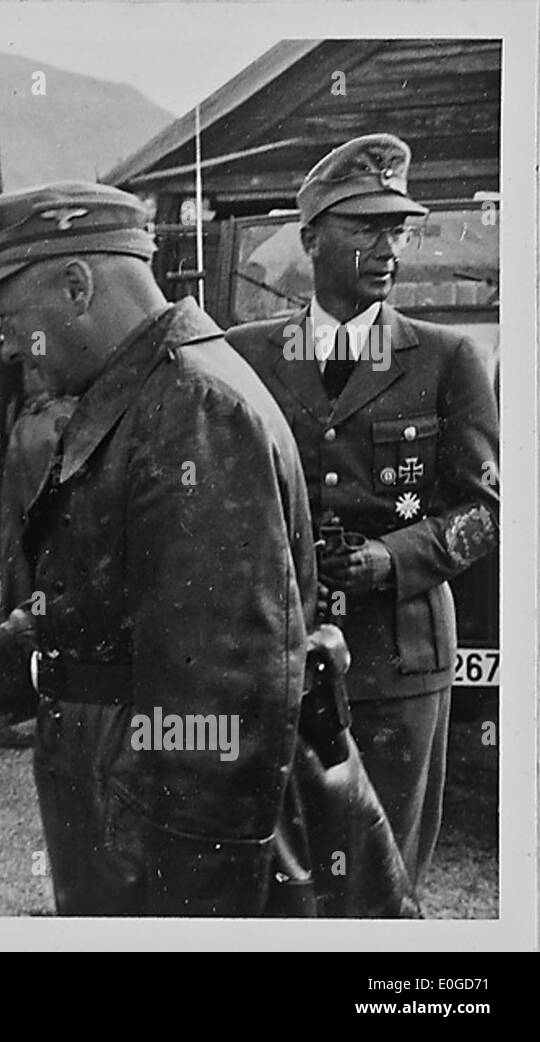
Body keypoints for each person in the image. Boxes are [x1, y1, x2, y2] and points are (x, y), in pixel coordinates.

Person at [0, 181, 319, 916]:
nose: (3, 347)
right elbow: (91, 625)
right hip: (120, 833)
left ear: (77, 286)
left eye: (10, 319)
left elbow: (227, 695)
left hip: (160, 866)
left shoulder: (194, 410)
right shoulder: (147, 399)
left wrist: (196, 901)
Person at [225, 134, 499, 891]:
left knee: (384, 882)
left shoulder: (446, 359)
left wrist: (395, 558)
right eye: (365, 226)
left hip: (400, 657)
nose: (388, 247)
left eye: (397, 229)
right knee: (287, 882)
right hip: (282, 654)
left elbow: (485, 512)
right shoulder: (247, 355)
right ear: (312, 238)